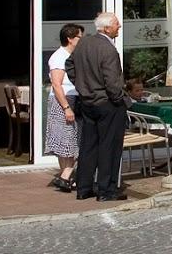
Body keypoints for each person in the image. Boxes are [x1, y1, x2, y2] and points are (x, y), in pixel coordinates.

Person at [67, 12, 128, 201]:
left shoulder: (84, 43)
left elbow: (70, 65)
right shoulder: (108, 50)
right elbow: (112, 81)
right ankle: (106, 190)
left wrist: (82, 86)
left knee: (88, 145)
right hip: (106, 102)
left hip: (88, 102)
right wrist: (118, 98)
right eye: (117, 24)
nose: (119, 27)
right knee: (109, 146)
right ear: (107, 28)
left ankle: (84, 188)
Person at [46, 23, 83, 192]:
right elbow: (57, 84)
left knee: (68, 142)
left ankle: (65, 178)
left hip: (72, 98)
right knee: (68, 141)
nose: (81, 40)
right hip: (64, 100)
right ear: (70, 38)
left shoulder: (73, 55)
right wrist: (67, 107)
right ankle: (65, 176)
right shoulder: (59, 56)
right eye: (79, 37)